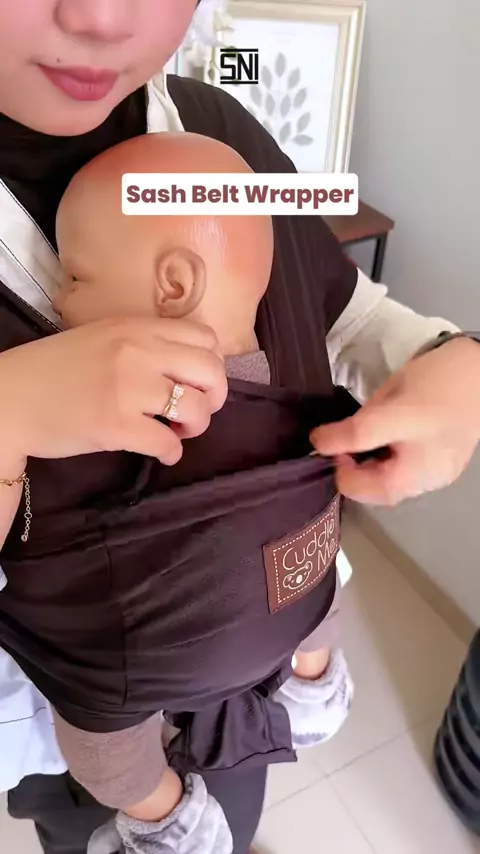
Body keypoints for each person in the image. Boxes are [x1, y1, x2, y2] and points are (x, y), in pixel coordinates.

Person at [0, 2, 479, 853]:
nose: (102, 17)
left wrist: (450, 359)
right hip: (82, 720)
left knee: (240, 805)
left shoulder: (222, 129)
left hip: (264, 654)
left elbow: (341, 314)